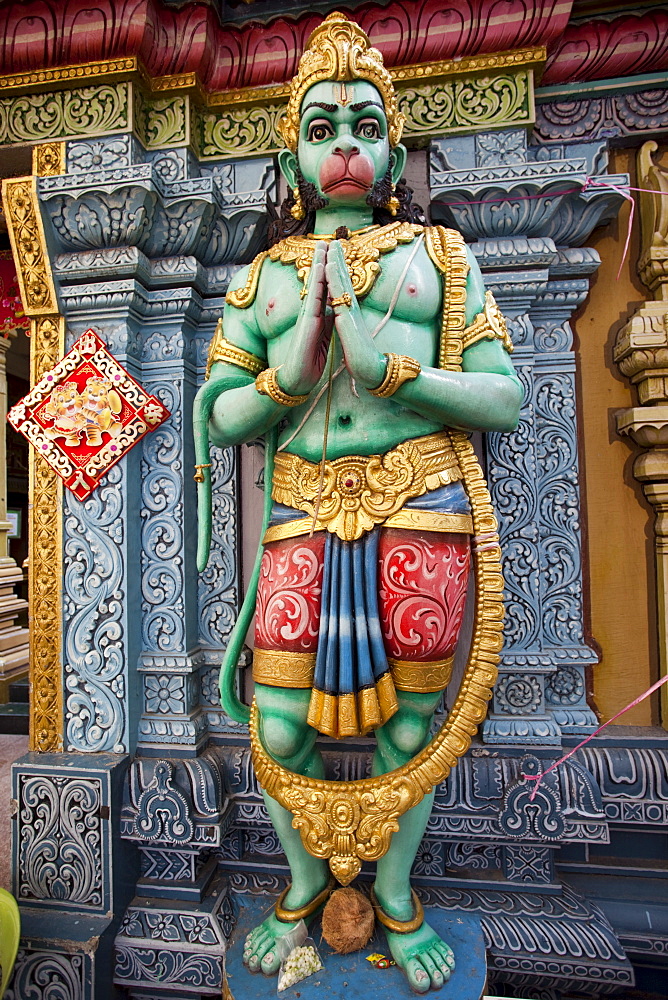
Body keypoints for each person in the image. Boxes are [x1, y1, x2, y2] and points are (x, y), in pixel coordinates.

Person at [194, 12, 522, 993]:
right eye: (323, 126)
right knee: (282, 723)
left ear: (390, 149)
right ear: (291, 155)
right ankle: (299, 888)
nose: (345, 144)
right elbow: (218, 415)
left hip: (420, 508)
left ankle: (397, 898)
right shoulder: (260, 279)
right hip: (301, 514)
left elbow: (502, 396)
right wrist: (293, 371)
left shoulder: (441, 261)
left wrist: (396, 372)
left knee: (409, 726)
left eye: (365, 126)